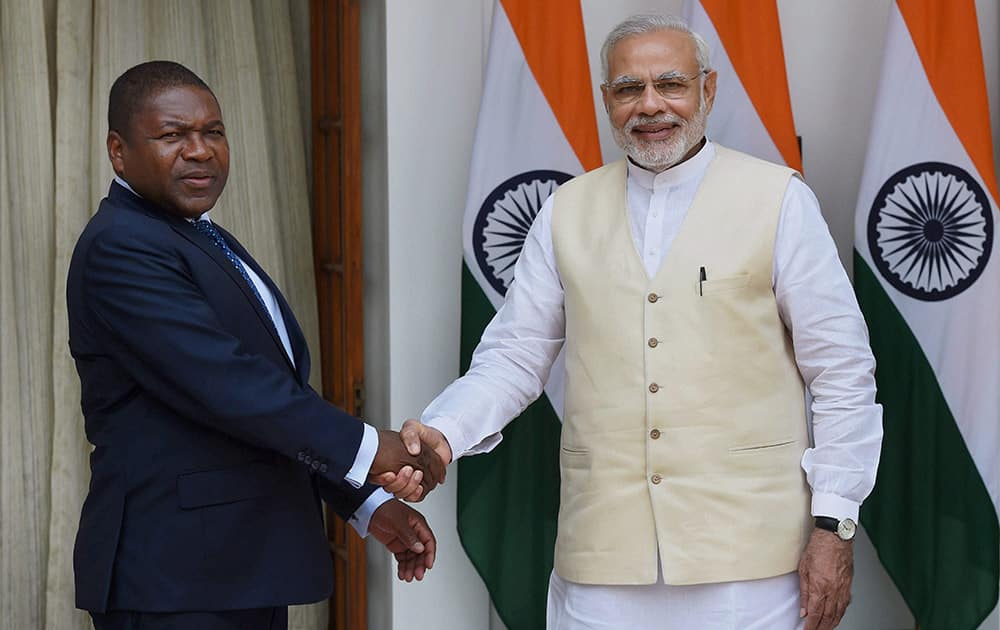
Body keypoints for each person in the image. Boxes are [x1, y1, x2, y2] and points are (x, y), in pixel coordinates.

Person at [395, 14, 882, 630]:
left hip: (750, 567)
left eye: (670, 84)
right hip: (601, 566)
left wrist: (834, 522)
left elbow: (841, 371)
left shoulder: (779, 200)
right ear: (606, 100)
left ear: (708, 90)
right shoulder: (565, 211)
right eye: (628, 89)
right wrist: (443, 431)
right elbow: (515, 356)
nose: (650, 106)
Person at [67, 61, 443, 630]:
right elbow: (232, 388)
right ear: (119, 152)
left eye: (212, 132)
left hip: (238, 571)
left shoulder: (197, 235)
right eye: (173, 135)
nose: (200, 151)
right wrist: (374, 450)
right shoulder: (122, 247)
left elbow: (267, 404)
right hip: (176, 581)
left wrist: (363, 502)